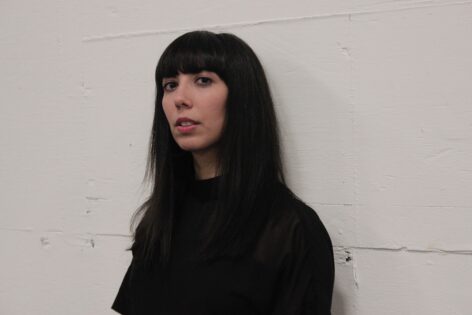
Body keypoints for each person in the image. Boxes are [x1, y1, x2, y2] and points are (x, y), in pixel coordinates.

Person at [111, 30, 335, 315]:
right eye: (169, 85)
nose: (180, 98)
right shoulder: (159, 222)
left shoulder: (288, 229)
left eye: (202, 80)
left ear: (241, 97)